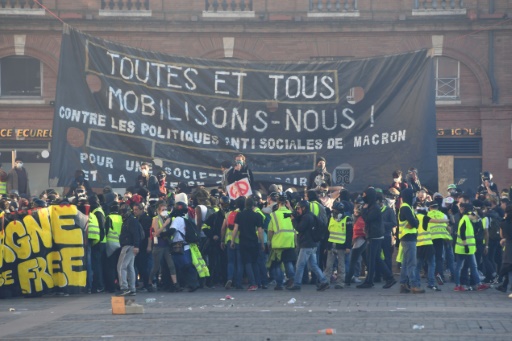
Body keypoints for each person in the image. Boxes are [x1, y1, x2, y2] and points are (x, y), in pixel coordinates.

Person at [357, 188, 397, 289]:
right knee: (375, 258)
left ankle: (387, 278)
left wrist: (363, 210)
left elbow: (367, 219)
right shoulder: (371, 206)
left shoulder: (374, 208)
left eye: (365, 195)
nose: (363, 197)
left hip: (376, 236)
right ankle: (374, 279)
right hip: (372, 235)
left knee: (373, 258)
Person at [287, 200, 330, 291]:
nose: (297, 210)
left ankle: (297, 284)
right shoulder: (310, 215)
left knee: (300, 265)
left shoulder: (306, 217)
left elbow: (300, 228)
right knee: (313, 265)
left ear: (304, 208)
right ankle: (324, 281)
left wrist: (293, 220)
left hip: (306, 245)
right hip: (312, 244)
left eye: (298, 208)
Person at [453, 203, 490, 292]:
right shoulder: (465, 219)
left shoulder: (469, 220)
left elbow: (477, 222)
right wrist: (465, 245)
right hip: (462, 248)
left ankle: (478, 284)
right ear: (470, 214)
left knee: (473, 266)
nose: (475, 217)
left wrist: (477, 217)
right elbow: (462, 233)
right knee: (459, 266)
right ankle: (458, 285)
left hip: (469, 249)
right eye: (473, 215)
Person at [231, 197, 264, 291]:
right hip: (254, 241)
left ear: (245, 205)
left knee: (247, 263)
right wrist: (262, 243)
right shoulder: (257, 215)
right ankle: (258, 282)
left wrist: (232, 241)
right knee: (254, 262)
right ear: (253, 205)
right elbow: (260, 231)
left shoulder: (240, 215)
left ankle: (253, 283)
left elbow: (235, 229)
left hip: (243, 242)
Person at [147, 202, 181, 292]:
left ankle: (175, 284)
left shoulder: (168, 219)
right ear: (158, 211)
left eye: (166, 210)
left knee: (171, 265)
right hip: (158, 246)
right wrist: (165, 224)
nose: (165, 211)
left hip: (166, 245)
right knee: (156, 266)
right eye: (163, 210)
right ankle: (149, 282)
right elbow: (156, 233)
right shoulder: (156, 219)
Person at [267, 193, 296, 290]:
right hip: (289, 241)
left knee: (277, 264)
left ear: (278, 202)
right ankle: (292, 279)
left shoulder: (274, 214)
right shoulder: (290, 213)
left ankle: (279, 284)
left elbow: (270, 231)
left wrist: (270, 241)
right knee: (288, 262)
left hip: (278, 242)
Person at [169, 201, 200, 292]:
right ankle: (192, 284)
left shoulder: (177, 219)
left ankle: (192, 284)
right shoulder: (186, 218)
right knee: (187, 265)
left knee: (183, 266)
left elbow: (172, 231)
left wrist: (161, 233)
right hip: (186, 245)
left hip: (179, 246)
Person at [398, 188, 424, 293]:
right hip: (408, 237)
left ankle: (403, 284)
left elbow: (414, 221)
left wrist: (414, 222)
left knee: (405, 263)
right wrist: (415, 222)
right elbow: (414, 222)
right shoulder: (406, 208)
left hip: (407, 237)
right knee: (412, 263)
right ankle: (414, 285)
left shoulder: (407, 207)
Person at [323, 202, 352, 289]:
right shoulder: (330, 218)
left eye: (335, 210)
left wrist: (348, 247)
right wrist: (325, 246)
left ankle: (340, 282)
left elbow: (349, 234)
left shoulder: (347, 219)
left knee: (341, 265)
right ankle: (326, 282)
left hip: (341, 246)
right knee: (328, 265)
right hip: (331, 245)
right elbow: (327, 233)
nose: (333, 211)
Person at [116, 203, 141, 296]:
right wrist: (136, 245)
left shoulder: (130, 221)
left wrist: (136, 245)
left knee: (121, 266)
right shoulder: (131, 220)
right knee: (130, 267)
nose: (122, 213)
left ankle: (124, 287)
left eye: (123, 211)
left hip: (128, 246)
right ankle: (132, 288)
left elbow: (136, 234)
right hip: (131, 246)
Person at [495, 204, 512, 294]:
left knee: (507, 266)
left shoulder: (503, 222)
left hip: (508, 247)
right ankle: (505, 286)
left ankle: (504, 285)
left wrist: (505, 238)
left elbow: (501, 235)